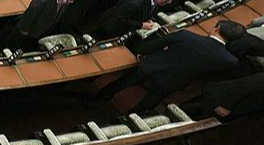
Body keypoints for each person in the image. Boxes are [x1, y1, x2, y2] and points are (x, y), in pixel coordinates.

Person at [98, 27, 239, 112]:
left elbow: (155, 44)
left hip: (154, 65)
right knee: (154, 98)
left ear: (216, 29)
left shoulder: (186, 35)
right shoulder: (229, 60)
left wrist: (141, 51)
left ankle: (103, 95)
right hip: (175, 79)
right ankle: (134, 115)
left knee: (125, 81)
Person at [97, 0, 178, 38]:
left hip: (127, 28)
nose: (169, 2)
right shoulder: (134, 3)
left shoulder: (156, 0)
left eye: (171, 0)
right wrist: (141, 25)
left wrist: (149, 19)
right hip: (112, 27)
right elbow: (120, 19)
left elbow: (151, 11)